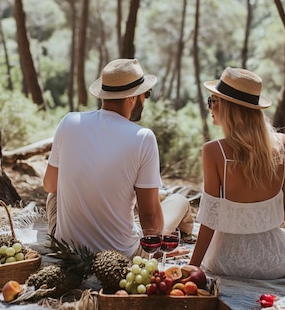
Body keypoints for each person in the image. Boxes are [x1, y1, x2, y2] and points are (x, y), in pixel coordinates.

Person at [189, 67, 285, 279]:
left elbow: (210, 218)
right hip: (274, 263)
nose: (209, 107)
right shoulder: (283, 144)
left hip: (225, 262)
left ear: (230, 108)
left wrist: (193, 266)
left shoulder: (214, 151)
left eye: (212, 100)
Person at [43, 58, 194, 258]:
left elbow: (50, 186)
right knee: (179, 200)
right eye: (146, 94)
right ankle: (186, 228)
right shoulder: (143, 137)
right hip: (120, 255)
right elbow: (149, 219)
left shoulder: (69, 121)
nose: (145, 100)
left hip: (68, 249)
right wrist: (155, 252)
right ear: (135, 96)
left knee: (54, 196)